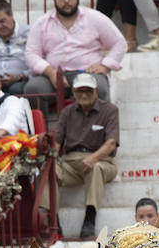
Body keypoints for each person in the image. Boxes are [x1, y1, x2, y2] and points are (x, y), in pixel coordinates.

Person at [25, 0, 125, 101]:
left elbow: (119, 43)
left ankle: (95, 121)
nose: (66, 1)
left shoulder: (94, 18)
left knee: (98, 87)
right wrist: (51, 72)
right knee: (33, 89)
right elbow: (31, 53)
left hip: (88, 73)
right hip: (54, 75)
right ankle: (42, 121)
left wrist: (105, 66)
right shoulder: (42, 23)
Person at [51, 73, 119, 238]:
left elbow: (111, 143)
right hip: (71, 162)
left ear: (96, 91)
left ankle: (90, 216)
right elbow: (57, 142)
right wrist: (50, 158)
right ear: (73, 93)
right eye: (79, 91)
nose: (84, 94)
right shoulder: (67, 112)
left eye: (88, 90)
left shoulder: (109, 110)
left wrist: (93, 157)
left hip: (102, 160)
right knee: (49, 171)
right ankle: (53, 220)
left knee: (95, 168)